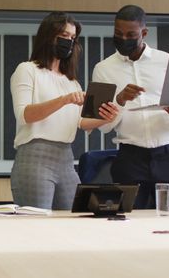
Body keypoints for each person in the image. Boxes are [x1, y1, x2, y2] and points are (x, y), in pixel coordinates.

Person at [92, 5, 169, 209]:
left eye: (130, 34)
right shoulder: (102, 69)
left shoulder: (168, 61)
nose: (123, 38)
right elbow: (102, 126)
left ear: (144, 33)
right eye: (118, 33)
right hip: (129, 158)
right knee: (130, 224)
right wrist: (120, 99)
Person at [10, 11, 119, 210]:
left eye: (72, 37)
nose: (68, 41)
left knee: (74, 217)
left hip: (66, 158)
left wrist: (106, 117)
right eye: (63, 36)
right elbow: (24, 114)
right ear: (48, 36)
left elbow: (81, 122)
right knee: (37, 222)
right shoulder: (27, 70)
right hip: (35, 156)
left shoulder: (72, 82)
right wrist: (64, 100)